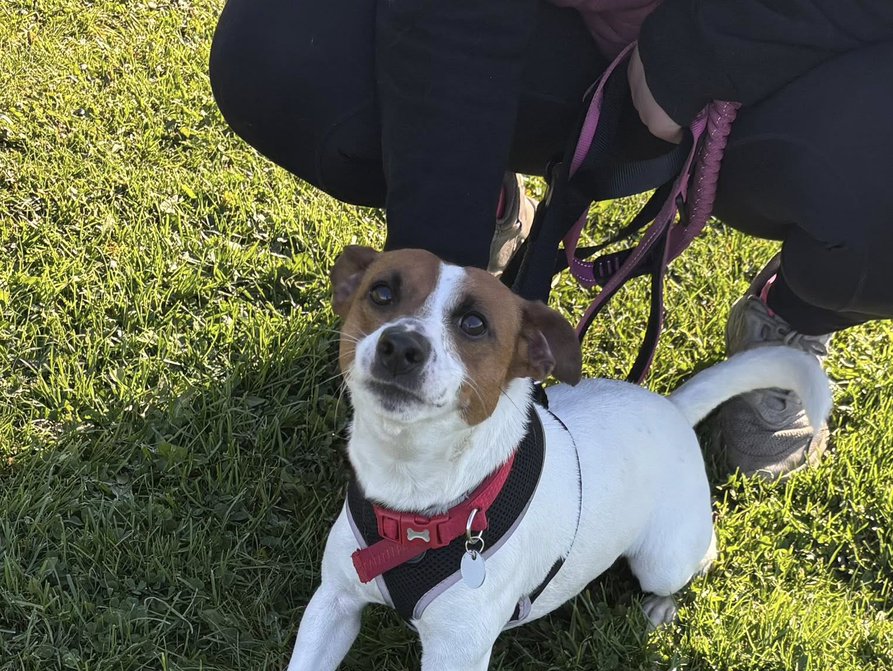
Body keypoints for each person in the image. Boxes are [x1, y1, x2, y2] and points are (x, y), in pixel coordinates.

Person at [207, 0, 893, 479]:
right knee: (280, 46)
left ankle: (793, 312)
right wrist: (444, 308)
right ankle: (486, 220)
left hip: (807, 61)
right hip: (555, 47)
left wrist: (702, 46)